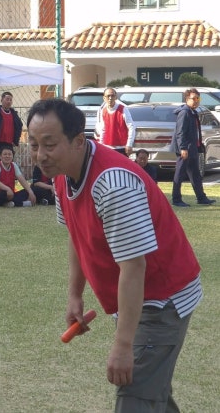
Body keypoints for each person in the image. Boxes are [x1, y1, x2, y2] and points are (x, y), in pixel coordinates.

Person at [26, 98, 203, 411]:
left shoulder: (113, 184)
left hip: (163, 298)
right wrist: (75, 295)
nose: (40, 155)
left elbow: (134, 267)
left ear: (78, 141)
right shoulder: (61, 175)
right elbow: (77, 236)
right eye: (34, 144)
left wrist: (123, 345)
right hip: (139, 297)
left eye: (49, 145)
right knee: (151, 395)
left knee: (135, 395)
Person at [170, 88, 215, 207]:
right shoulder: (184, 112)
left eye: (198, 98)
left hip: (193, 148)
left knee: (195, 174)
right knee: (179, 174)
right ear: (187, 99)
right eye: (193, 98)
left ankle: (201, 198)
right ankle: (176, 199)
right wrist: (183, 148)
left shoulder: (193, 112)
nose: (196, 101)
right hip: (185, 149)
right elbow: (180, 132)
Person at [95, 88, 135, 155]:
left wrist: (129, 144)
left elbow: (131, 127)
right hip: (107, 147)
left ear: (116, 97)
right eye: (108, 96)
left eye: (112, 96)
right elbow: (102, 130)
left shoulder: (123, 109)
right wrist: (101, 145)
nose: (110, 98)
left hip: (121, 147)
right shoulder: (102, 111)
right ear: (104, 98)